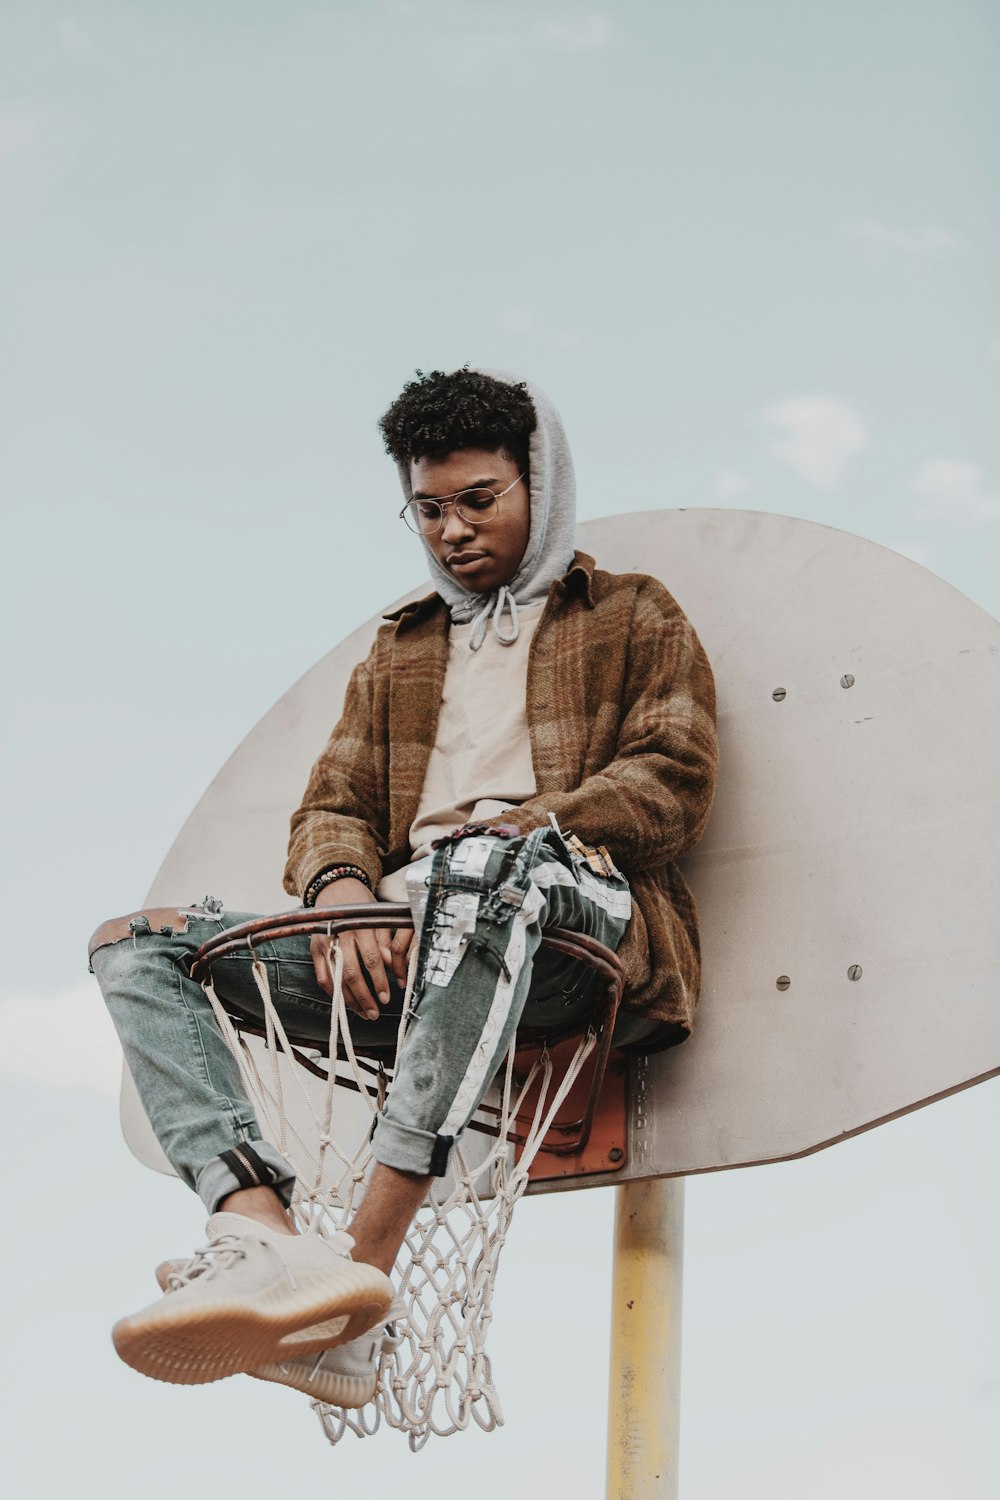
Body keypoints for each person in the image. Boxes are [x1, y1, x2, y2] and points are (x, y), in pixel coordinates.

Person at [89, 366, 718, 1408]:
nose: (451, 530)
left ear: (540, 485)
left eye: (479, 501)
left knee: (480, 867)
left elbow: (672, 777)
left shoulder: (630, 613)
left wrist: (512, 833)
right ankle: (259, 1235)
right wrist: (340, 891)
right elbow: (330, 804)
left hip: (579, 917)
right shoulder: (402, 646)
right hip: (410, 932)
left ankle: (360, 1274)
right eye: (428, 509)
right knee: (135, 943)